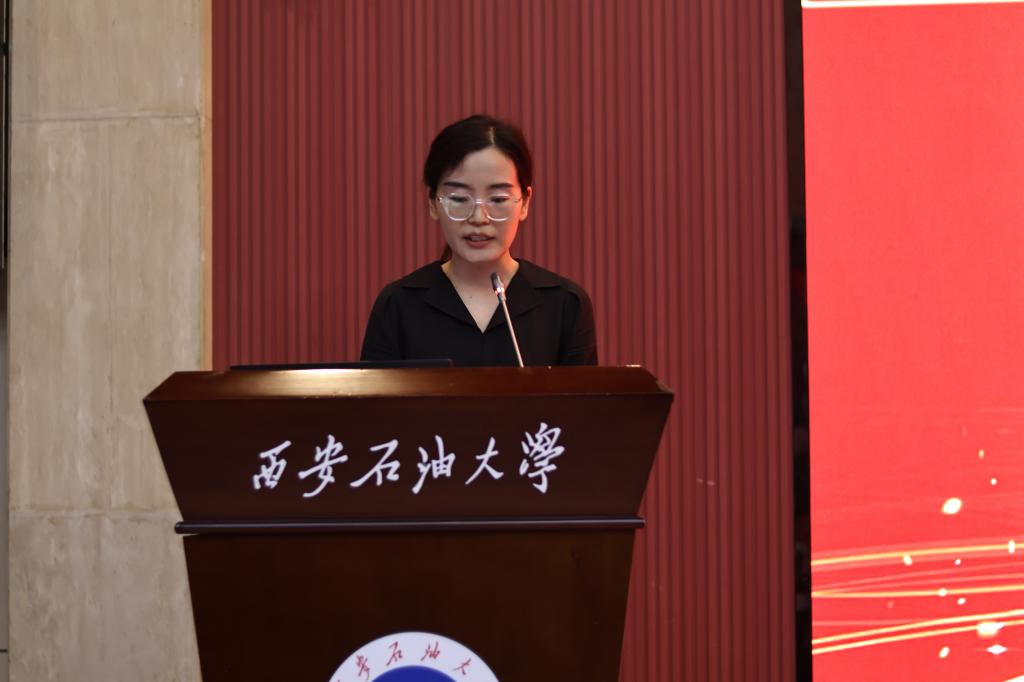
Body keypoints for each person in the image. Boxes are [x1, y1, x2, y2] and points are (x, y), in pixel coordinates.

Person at [360, 114, 597, 367]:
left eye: (498, 199)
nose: (478, 218)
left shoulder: (565, 305)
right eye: (459, 199)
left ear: (525, 202)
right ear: (432, 203)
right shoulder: (398, 305)